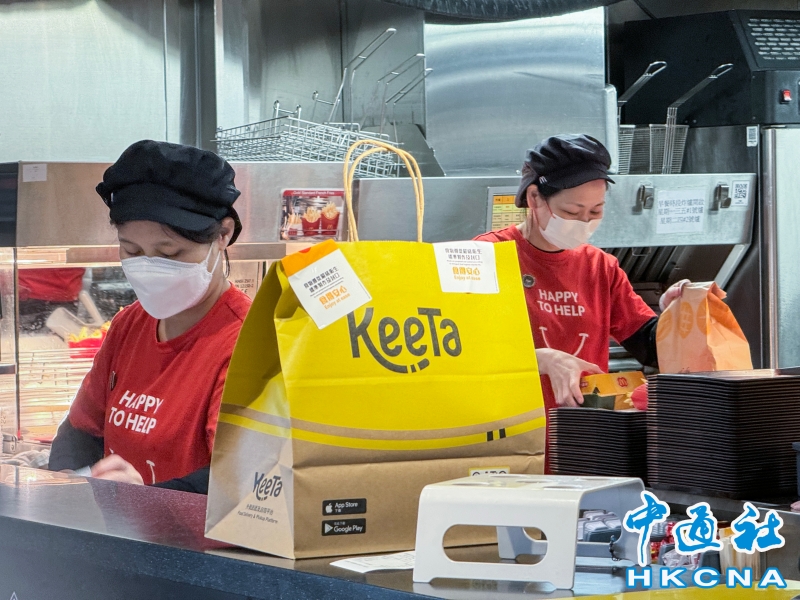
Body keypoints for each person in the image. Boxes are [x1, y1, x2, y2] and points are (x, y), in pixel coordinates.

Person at [48, 140, 252, 494]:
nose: (149, 266)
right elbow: (81, 429)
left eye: (169, 253)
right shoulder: (129, 325)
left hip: (191, 531)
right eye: (132, 250)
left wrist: (147, 501)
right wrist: (68, 482)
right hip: (120, 526)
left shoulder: (248, 343)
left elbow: (241, 479)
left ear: (223, 235)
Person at [475, 135, 686, 445]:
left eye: (595, 211)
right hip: (506, 441)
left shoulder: (600, 267)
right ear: (534, 198)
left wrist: (676, 313)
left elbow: (651, 347)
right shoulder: (485, 256)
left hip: (584, 442)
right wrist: (539, 359)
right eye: (572, 213)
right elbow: (458, 353)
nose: (584, 222)